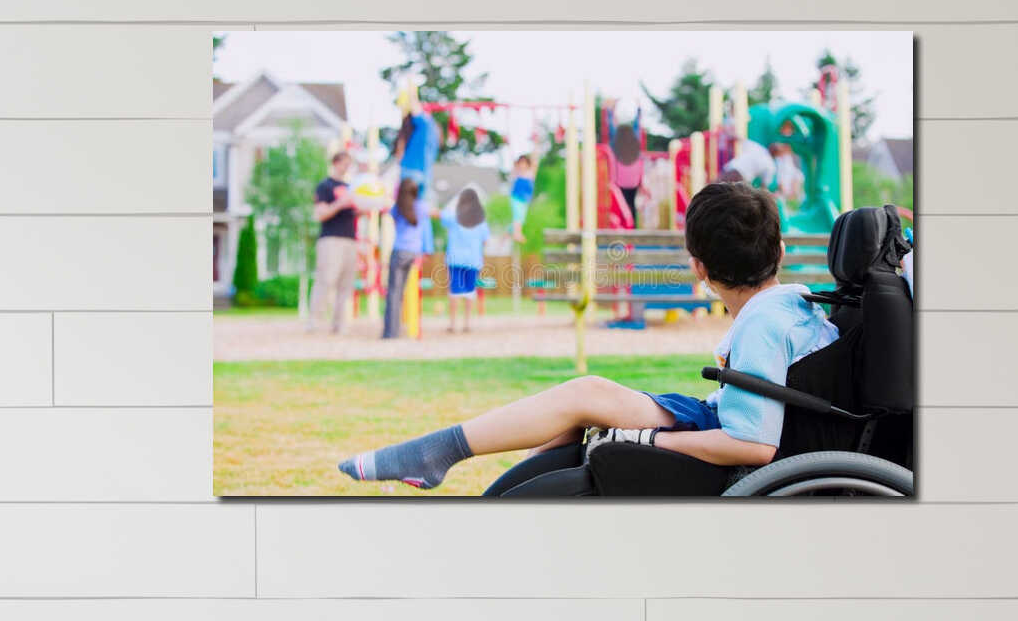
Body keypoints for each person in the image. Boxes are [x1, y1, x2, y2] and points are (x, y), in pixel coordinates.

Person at [339, 182, 833, 489]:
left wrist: (650, 441)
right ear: (781, 251)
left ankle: (437, 454)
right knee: (579, 409)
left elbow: (754, 447)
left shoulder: (763, 325)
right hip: (713, 418)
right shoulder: (793, 302)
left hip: (722, 441)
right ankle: (470, 479)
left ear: (697, 268)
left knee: (586, 395)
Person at [308, 150, 359, 333]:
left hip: (350, 239)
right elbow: (320, 214)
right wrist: (340, 204)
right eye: (345, 163)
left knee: (346, 284)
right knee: (326, 280)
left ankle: (339, 324)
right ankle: (314, 322)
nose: (347, 167)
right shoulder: (325, 186)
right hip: (331, 239)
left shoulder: (351, 187)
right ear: (336, 162)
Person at [380, 175, 429, 340]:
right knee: (406, 291)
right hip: (414, 253)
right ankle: (409, 329)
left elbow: (391, 220)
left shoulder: (397, 208)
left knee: (394, 293)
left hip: (399, 250)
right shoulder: (421, 207)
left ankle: (390, 332)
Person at [440, 185, 489, 333]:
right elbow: (486, 240)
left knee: (454, 291)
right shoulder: (480, 220)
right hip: (473, 260)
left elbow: (442, 216)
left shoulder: (455, 216)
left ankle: (453, 324)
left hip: (455, 259)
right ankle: (467, 323)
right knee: (469, 291)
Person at [611, 122, 644, 223]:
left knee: (622, 204)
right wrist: (640, 182)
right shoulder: (635, 147)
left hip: (620, 181)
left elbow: (613, 167)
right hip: (633, 182)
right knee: (632, 203)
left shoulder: (616, 147)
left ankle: (624, 223)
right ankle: (633, 224)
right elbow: (640, 166)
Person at [507, 154, 536, 243]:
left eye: (524, 163)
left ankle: (507, 234)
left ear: (527, 164)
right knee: (518, 216)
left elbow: (535, 160)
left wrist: (536, 143)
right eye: (520, 163)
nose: (522, 165)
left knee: (521, 219)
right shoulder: (516, 173)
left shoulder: (531, 173)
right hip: (516, 198)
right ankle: (517, 234)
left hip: (525, 201)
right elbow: (512, 158)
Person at [770, 141, 806, 205]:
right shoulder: (777, 161)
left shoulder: (792, 160)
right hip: (781, 192)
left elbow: (798, 175)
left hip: (787, 193)